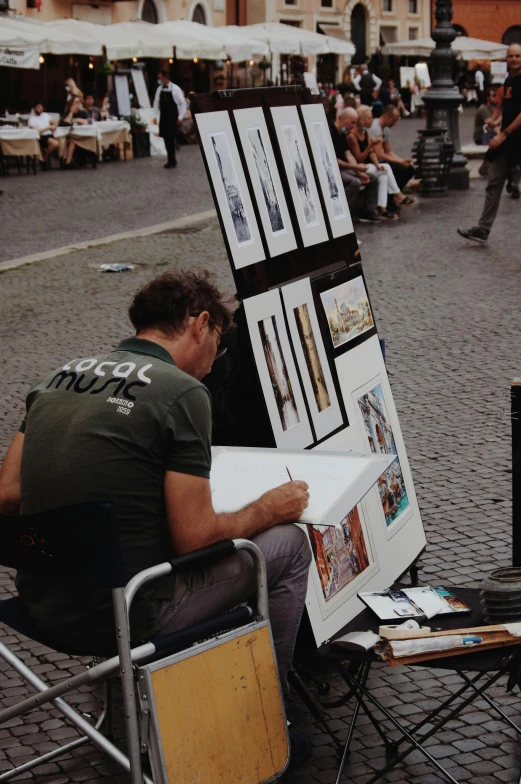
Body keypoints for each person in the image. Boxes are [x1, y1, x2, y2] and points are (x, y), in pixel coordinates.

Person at [0, 270, 312, 731]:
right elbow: (194, 539)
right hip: (128, 613)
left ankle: (132, 705)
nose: (214, 360)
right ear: (200, 324)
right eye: (218, 344)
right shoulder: (182, 391)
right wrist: (268, 508)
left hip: (43, 601)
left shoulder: (56, 378)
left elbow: (7, 496)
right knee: (288, 543)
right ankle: (269, 717)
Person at [458, 43, 521, 242]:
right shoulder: (508, 81)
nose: (514, 59)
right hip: (507, 140)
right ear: (506, 58)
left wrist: (505, 133)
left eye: (518, 56)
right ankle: (484, 228)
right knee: (494, 182)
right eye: (511, 56)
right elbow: (502, 107)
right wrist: (494, 121)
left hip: (515, 138)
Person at [347, 106, 407, 220]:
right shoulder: (352, 135)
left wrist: (377, 165)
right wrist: (371, 145)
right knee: (387, 168)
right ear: (362, 119)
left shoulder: (365, 131)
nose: (372, 120)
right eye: (369, 118)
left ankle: (382, 208)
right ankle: (398, 195)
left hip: (368, 166)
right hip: (358, 168)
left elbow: (372, 153)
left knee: (384, 173)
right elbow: (359, 158)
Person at [330, 108, 382, 223]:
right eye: (352, 122)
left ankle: (368, 211)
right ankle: (339, 211)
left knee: (373, 177)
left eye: (355, 122)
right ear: (343, 119)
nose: (353, 125)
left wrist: (359, 171)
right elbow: (333, 160)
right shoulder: (330, 131)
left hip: (345, 168)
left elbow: (348, 154)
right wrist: (356, 168)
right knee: (355, 182)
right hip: (333, 169)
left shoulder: (343, 132)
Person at [368, 104, 417, 211]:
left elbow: (388, 151)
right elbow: (379, 154)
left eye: (397, 120)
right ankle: (391, 199)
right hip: (374, 161)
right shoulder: (375, 128)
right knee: (398, 169)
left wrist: (402, 160)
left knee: (409, 169)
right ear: (386, 116)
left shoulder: (386, 130)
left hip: (382, 160)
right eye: (394, 120)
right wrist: (399, 162)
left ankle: (392, 198)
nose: (395, 123)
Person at [153, 71, 188, 169]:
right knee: (165, 137)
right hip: (163, 117)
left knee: (171, 138)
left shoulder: (175, 89)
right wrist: (154, 117)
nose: (159, 80)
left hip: (172, 117)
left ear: (165, 77)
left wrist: (180, 117)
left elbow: (182, 103)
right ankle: (170, 159)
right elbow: (156, 103)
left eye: (160, 78)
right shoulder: (159, 89)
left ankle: (172, 160)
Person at [59, 95, 89, 167]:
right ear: (71, 103)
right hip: (68, 134)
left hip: (82, 134)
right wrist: (71, 113)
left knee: (74, 141)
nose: (78, 104)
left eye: (79, 102)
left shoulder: (83, 111)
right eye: (76, 102)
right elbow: (65, 122)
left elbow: (88, 121)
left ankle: (69, 161)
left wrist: (78, 120)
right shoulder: (67, 111)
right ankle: (68, 162)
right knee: (72, 141)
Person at [27, 102, 59, 167]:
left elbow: (55, 122)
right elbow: (36, 132)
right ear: (34, 108)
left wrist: (54, 126)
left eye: (41, 107)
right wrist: (48, 127)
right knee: (55, 144)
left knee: (60, 141)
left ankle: (44, 159)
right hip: (40, 136)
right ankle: (45, 158)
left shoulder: (45, 115)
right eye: (38, 107)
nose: (41, 109)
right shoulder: (31, 120)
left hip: (50, 135)